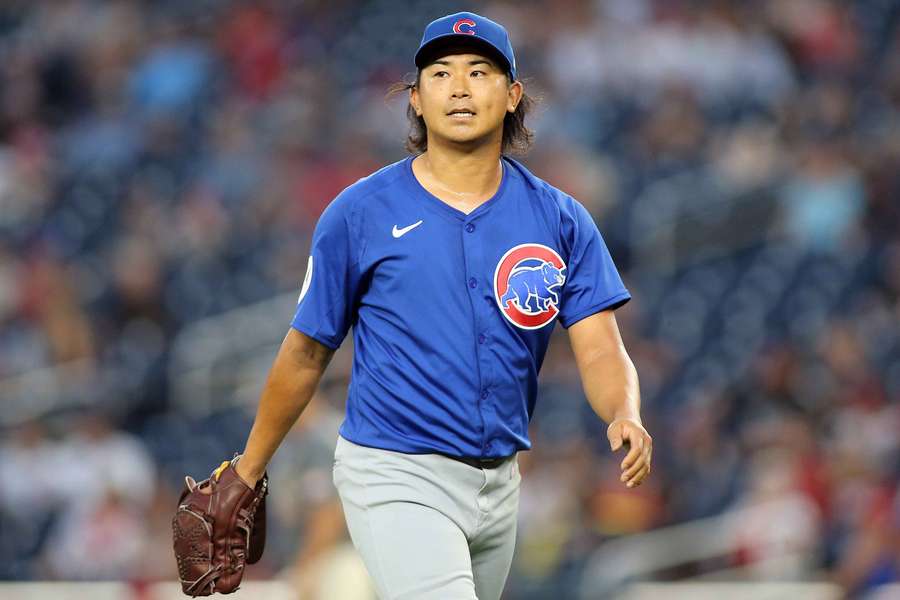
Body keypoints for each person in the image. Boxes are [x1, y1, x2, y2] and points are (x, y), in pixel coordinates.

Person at [233, 11, 652, 600]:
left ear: (512, 96)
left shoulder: (559, 219)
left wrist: (623, 412)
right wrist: (250, 468)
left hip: (501, 482)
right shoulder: (360, 213)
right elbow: (305, 352)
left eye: (479, 72)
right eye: (440, 73)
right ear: (415, 99)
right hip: (394, 471)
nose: (458, 87)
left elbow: (601, 345)